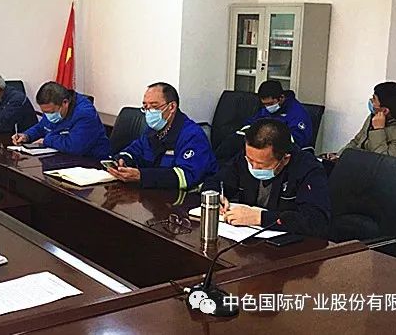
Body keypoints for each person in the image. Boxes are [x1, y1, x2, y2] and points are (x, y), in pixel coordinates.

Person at [202, 119, 330, 238]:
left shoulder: (308, 169)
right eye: (250, 160)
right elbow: (215, 180)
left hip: (288, 246)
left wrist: (260, 218)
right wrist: (215, 196)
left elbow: (317, 221)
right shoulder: (247, 157)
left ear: (285, 159)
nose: (253, 167)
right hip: (244, 240)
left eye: (261, 164)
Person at [108, 82, 218, 190]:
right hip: (157, 193)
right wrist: (123, 160)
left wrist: (142, 176)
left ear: (172, 107)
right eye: (145, 107)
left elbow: (186, 176)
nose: (149, 112)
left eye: (154, 106)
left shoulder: (192, 135)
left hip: (188, 197)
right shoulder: (152, 131)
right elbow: (134, 150)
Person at [214, 81, 313, 162]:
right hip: (259, 142)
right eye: (264, 104)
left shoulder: (297, 113)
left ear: (281, 98)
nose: (267, 107)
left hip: (278, 149)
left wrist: (268, 136)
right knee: (233, 142)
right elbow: (252, 122)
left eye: (270, 104)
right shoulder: (266, 109)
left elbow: (296, 141)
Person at [12, 82, 109, 158]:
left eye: (51, 112)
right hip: (63, 157)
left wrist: (47, 140)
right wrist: (27, 136)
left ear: (65, 103)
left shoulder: (84, 113)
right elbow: (43, 127)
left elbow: (75, 146)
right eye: (45, 112)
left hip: (92, 161)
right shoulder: (53, 108)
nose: (49, 116)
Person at [324, 81, 396, 161]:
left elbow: (383, 161)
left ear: (385, 111)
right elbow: (356, 141)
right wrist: (339, 157)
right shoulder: (374, 117)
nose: (371, 101)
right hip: (355, 164)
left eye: (374, 99)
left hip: (371, 173)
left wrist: (378, 130)